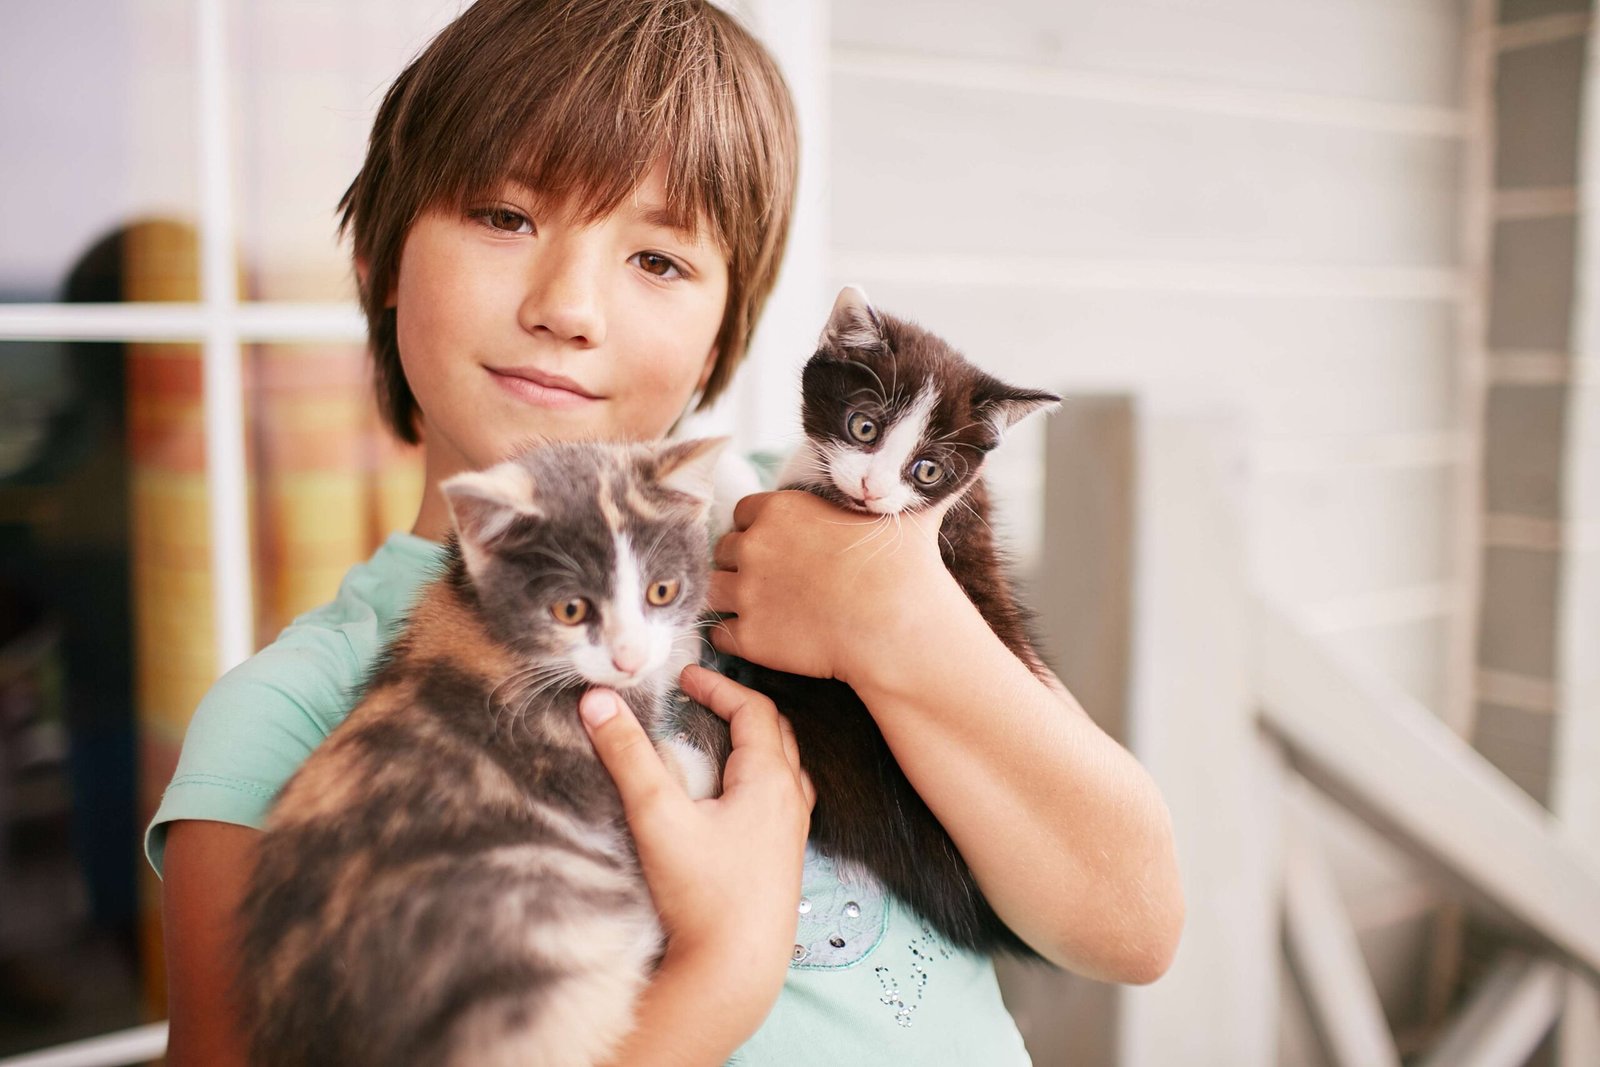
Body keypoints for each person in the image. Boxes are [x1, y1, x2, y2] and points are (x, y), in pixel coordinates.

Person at [149, 1, 1186, 1063]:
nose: (568, 306)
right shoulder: (284, 717)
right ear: (378, 255)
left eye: (658, 260)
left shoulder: (817, 542)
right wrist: (723, 964)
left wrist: (894, 618)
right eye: (506, 216)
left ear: (722, 332)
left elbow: (1132, 923)